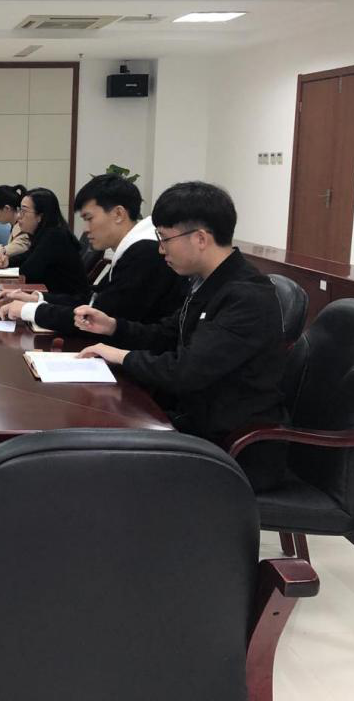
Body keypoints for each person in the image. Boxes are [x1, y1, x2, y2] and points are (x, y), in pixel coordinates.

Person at [73, 181, 287, 490]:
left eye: (165, 239)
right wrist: (113, 327)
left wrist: (121, 356)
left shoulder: (246, 296)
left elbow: (184, 371)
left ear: (200, 238)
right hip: (199, 423)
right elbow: (166, 334)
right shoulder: (206, 282)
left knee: (97, 460)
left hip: (233, 447)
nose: (161, 249)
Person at [0, 174, 184, 331]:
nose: (86, 229)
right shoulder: (134, 249)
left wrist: (29, 310)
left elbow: (98, 318)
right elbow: (96, 298)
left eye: (89, 218)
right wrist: (37, 298)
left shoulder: (146, 253)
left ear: (118, 214)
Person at [0, 187, 90, 295]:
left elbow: (28, 272)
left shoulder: (55, 236)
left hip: (68, 301)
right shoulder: (45, 233)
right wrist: (8, 261)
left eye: (24, 211)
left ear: (40, 216)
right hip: (55, 297)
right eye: (19, 210)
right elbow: (28, 255)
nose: (19, 216)